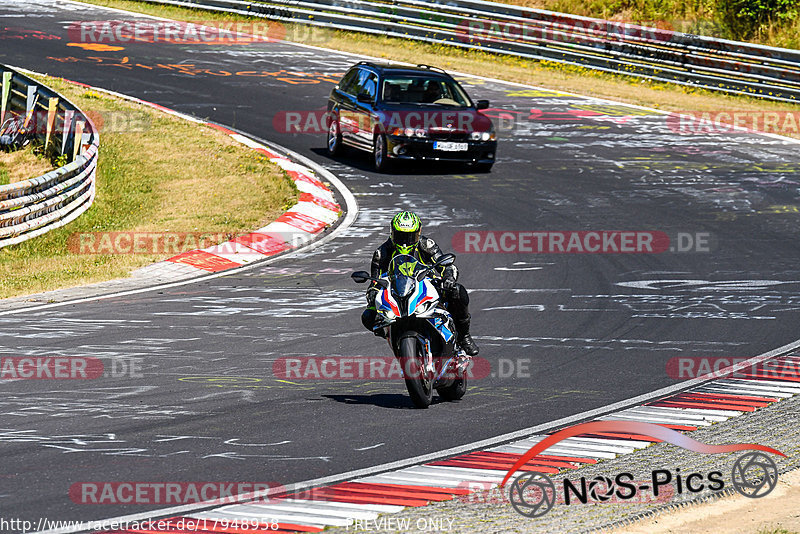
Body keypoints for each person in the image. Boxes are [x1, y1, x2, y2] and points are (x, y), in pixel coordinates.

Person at [360, 211, 479, 356]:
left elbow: (446, 266)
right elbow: (374, 280)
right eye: (401, 236)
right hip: (397, 290)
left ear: (418, 233)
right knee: (368, 315)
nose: (405, 241)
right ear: (392, 233)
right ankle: (392, 335)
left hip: (426, 283)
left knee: (457, 291)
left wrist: (448, 278)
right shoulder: (382, 252)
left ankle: (464, 336)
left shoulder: (426, 245)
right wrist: (372, 293)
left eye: (409, 236)